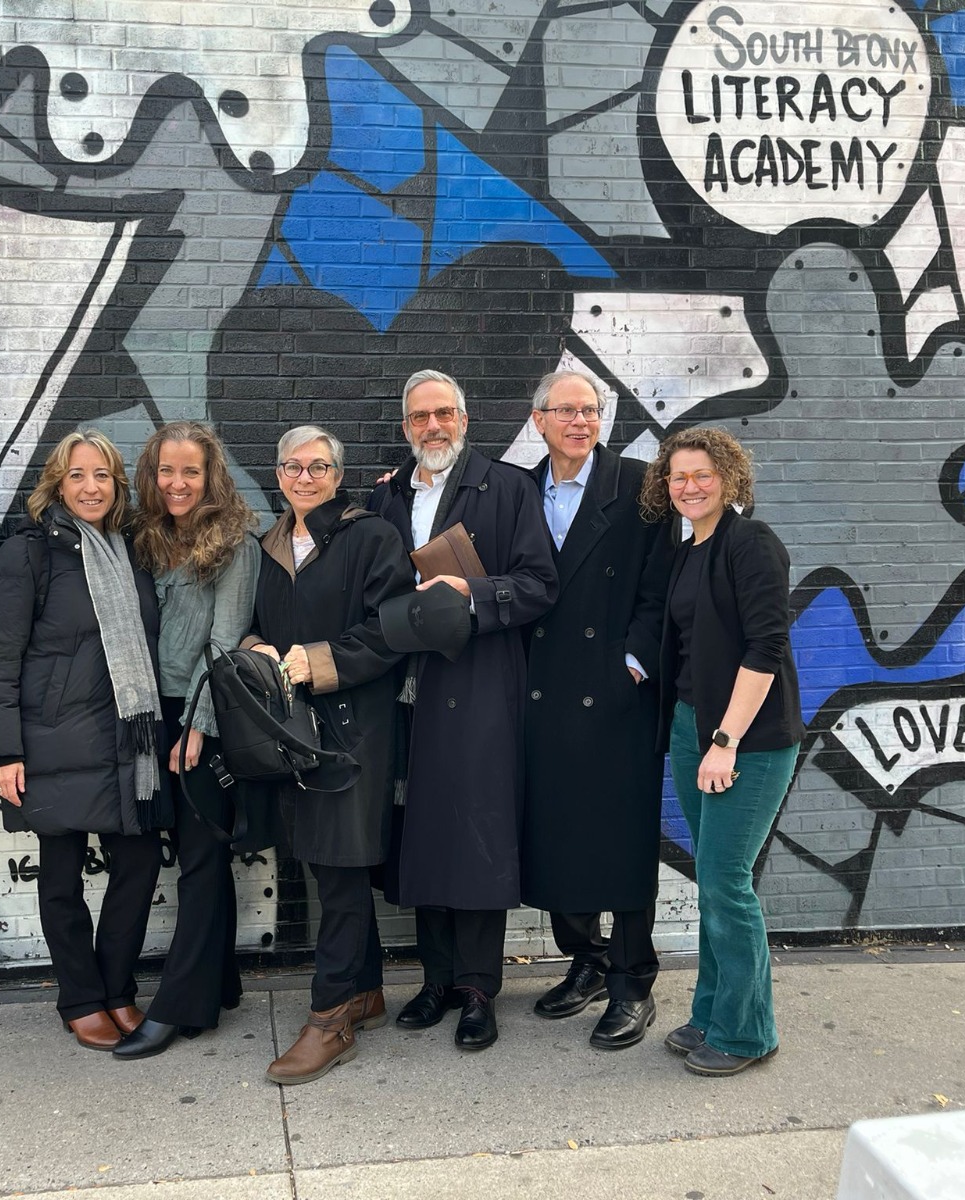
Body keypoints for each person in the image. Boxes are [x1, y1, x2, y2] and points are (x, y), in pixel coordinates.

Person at [368, 369, 559, 1052]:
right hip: (407, 691)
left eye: (444, 414)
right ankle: (436, 978)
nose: (433, 427)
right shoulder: (386, 498)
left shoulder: (507, 488)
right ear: (406, 428)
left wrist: (470, 592)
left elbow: (540, 585)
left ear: (466, 419)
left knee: (476, 834)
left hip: (479, 685)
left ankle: (478, 988)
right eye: (420, 418)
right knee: (422, 832)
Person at [0, 430, 166, 1051]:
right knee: (61, 876)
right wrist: (3, 750)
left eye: (102, 476)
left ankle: (116, 989)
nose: (90, 487)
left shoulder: (130, 551)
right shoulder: (28, 554)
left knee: (137, 865)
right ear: (57, 483)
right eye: (78, 475)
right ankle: (79, 997)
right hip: (51, 740)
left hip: (126, 740)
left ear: (117, 486)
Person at [243, 426, 411, 1084]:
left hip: (352, 728)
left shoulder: (371, 537)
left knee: (340, 871)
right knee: (326, 865)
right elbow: (257, 621)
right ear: (278, 473)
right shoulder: (270, 543)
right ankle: (364, 991)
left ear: (338, 476)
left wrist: (316, 662)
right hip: (291, 731)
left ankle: (329, 1017)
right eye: (292, 466)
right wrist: (256, 644)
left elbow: (391, 630)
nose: (305, 476)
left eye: (318, 466)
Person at [520, 370, 675, 1050]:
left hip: (616, 697)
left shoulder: (640, 486)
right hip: (542, 694)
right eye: (566, 411)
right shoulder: (517, 490)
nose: (579, 421)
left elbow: (662, 584)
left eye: (590, 409)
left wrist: (633, 663)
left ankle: (632, 980)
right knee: (556, 834)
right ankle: (584, 959)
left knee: (623, 840)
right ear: (539, 419)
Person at [644, 426, 802, 1077]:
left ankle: (747, 1032)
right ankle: (712, 1013)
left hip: (748, 742)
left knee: (725, 882)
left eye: (701, 475)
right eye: (678, 476)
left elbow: (765, 649)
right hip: (692, 728)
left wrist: (725, 740)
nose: (688, 486)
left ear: (729, 478)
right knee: (713, 881)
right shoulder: (690, 551)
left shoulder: (751, 544)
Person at [112, 421, 261, 1059]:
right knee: (193, 854)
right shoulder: (142, 540)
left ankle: (176, 1006)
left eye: (191, 472)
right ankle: (217, 986)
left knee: (199, 861)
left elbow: (225, 644)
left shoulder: (236, 544)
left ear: (211, 476)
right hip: (150, 712)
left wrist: (197, 728)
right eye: (166, 471)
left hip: (206, 716)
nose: (177, 484)